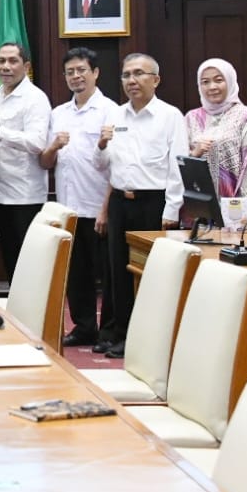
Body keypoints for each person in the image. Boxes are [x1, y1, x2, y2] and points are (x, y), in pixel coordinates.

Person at [96, 53, 189, 358]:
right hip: (122, 202)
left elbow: (178, 166)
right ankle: (122, 334)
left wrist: (171, 210)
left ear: (156, 79)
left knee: (151, 274)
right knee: (119, 273)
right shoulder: (116, 116)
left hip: (154, 203)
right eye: (126, 75)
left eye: (139, 74)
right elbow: (104, 166)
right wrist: (101, 145)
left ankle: (150, 338)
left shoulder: (170, 116)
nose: (132, 81)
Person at [40, 47, 119, 348]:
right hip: (68, 208)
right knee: (76, 274)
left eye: (81, 70)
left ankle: (108, 331)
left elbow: (116, 164)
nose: (76, 77)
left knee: (107, 273)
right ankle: (84, 327)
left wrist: (105, 209)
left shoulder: (110, 111)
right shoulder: (58, 113)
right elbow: (46, 163)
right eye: (70, 72)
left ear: (96, 73)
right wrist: (53, 147)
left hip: (97, 205)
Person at [0, 42, 50, 291]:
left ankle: (35, 324)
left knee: (28, 266)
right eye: (1, 61)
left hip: (25, 195)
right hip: (0, 192)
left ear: (26, 66)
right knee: (11, 261)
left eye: (13, 61)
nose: (6, 67)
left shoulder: (35, 98)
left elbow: (36, 143)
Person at [185, 58, 247, 198]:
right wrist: (195, 153)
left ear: (230, 81)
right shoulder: (191, 117)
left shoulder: (246, 116)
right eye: (205, 82)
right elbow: (180, 164)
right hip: (199, 201)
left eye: (219, 80)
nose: (212, 87)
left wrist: (245, 203)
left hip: (236, 203)